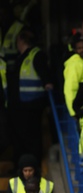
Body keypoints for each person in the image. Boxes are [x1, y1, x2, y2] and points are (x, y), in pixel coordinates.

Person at [7, 28, 53, 164]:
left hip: (32, 104)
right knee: (19, 135)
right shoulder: (20, 57)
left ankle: (33, 163)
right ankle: (20, 163)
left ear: (21, 40)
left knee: (31, 136)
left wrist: (48, 83)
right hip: (19, 104)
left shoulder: (36, 54)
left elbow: (45, 74)